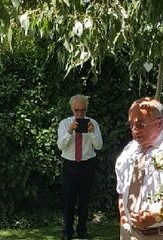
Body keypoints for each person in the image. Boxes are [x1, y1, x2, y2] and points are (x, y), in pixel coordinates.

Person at [115, 97, 163, 240]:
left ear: (159, 124)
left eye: (140, 124)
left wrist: (156, 217)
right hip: (130, 233)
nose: (134, 130)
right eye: (131, 124)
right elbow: (121, 189)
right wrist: (123, 217)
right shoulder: (129, 149)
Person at [57, 94, 103, 240]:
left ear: (86, 109)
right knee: (69, 199)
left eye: (82, 111)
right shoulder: (64, 124)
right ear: (72, 109)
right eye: (76, 110)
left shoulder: (93, 124)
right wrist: (70, 132)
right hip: (70, 164)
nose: (79, 114)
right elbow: (61, 146)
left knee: (85, 199)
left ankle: (82, 230)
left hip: (87, 164)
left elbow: (99, 146)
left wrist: (92, 133)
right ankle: (67, 231)